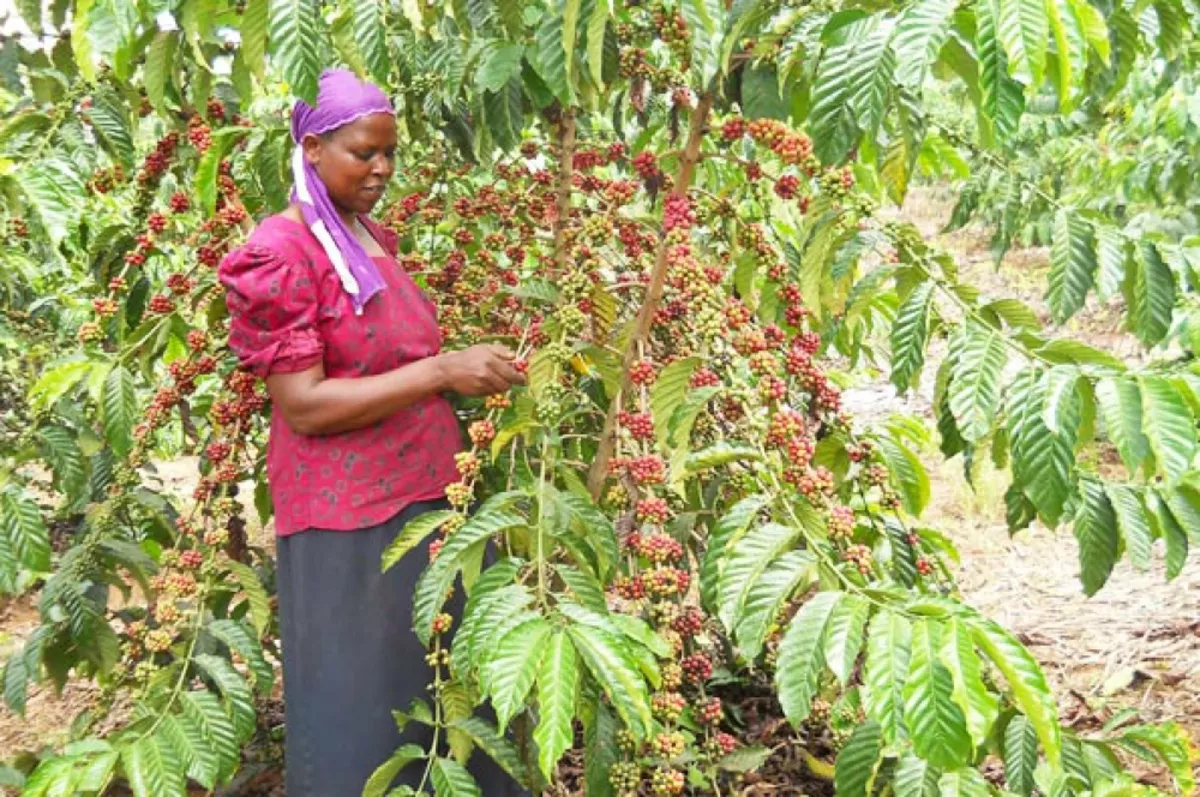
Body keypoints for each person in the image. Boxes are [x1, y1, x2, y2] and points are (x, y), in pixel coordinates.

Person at [218, 69, 527, 796]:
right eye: (364, 153)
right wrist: (443, 372)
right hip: (349, 527)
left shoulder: (363, 236)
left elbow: (397, 352)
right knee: (366, 720)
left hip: (426, 507)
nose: (382, 168)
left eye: (390, 153)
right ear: (314, 148)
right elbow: (305, 405)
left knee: (446, 703)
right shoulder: (282, 251)